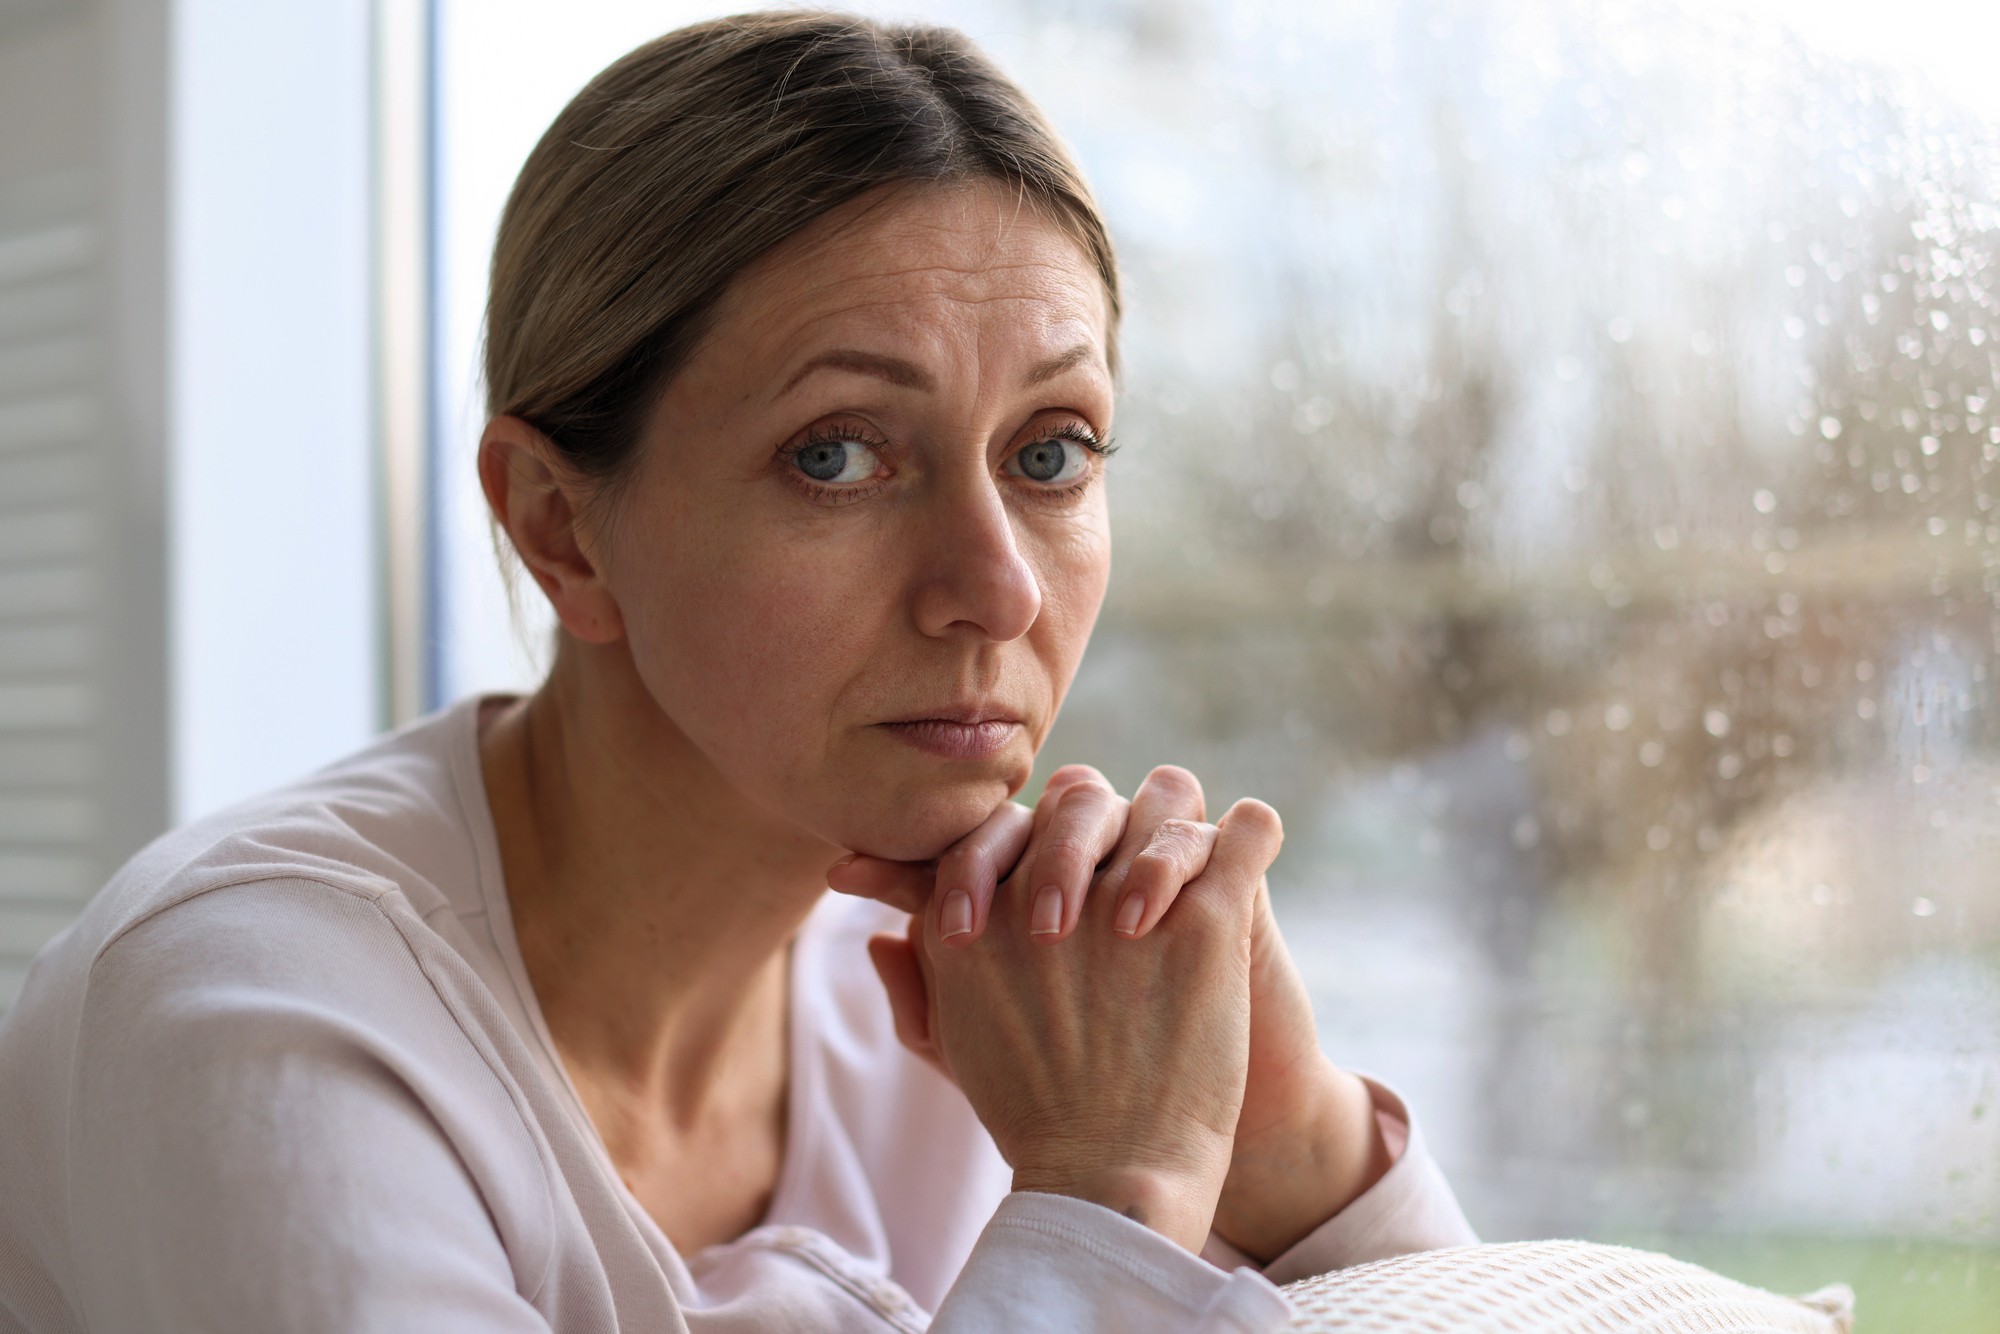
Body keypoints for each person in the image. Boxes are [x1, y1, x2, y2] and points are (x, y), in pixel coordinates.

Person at [0, 12, 1475, 1331]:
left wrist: (1297, 1150)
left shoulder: (1001, 1006)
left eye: (1052, 452)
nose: (998, 586)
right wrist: (1113, 1199)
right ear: (560, 527)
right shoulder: (258, 1023)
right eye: (835, 455)